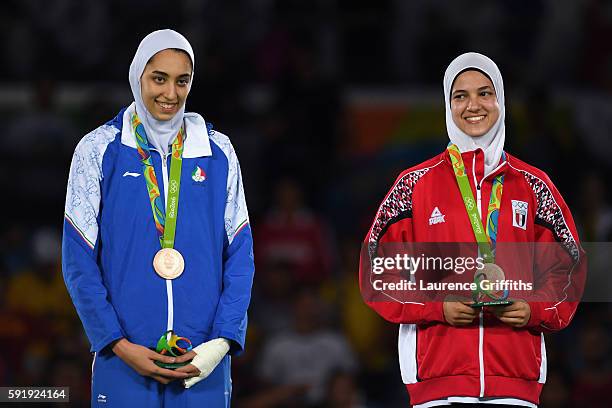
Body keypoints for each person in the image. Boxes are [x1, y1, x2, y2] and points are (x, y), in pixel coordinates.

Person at [360, 52, 585, 407]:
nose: (473, 105)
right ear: (447, 105)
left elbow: (568, 265)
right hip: (436, 383)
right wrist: (438, 306)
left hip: (515, 382)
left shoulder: (534, 185)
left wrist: (534, 309)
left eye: (485, 93)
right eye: (460, 95)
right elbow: (377, 273)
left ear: (501, 101)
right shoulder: (413, 185)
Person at [62, 29, 255, 406]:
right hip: (124, 359)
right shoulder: (99, 150)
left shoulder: (218, 151)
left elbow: (241, 257)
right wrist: (116, 343)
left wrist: (220, 343)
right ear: (138, 77)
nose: (170, 94)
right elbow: (78, 262)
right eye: (159, 79)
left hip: (201, 362)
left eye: (182, 81)